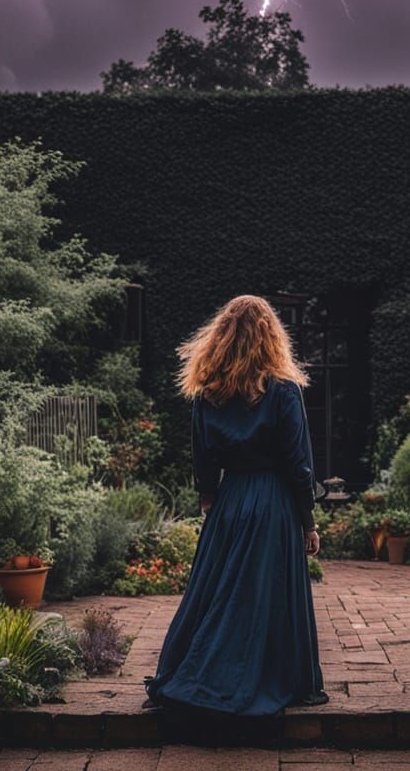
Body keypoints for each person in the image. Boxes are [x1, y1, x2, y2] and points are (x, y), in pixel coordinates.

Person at [143, 294, 329, 716]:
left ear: (221, 336)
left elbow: (202, 456)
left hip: (230, 501)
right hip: (274, 503)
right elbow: (299, 463)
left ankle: (200, 672)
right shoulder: (283, 390)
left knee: (218, 592)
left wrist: (210, 500)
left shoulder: (208, 393)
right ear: (271, 337)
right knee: (267, 594)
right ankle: (267, 678)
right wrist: (308, 520)